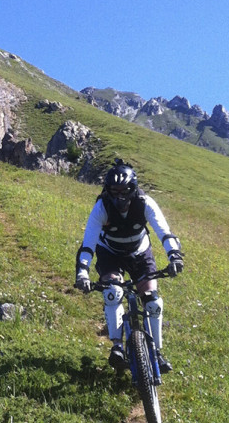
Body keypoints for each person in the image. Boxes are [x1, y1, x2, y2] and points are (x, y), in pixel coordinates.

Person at [75, 159, 183, 371]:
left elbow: (164, 231)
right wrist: (82, 273)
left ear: (133, 189)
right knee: (113, 292)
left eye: (124, 191)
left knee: (152, 302)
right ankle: (117, 347)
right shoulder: (101, 207)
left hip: (140, 253)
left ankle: (157, 353)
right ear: (107, 190)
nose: (120, 196)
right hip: (110, 253)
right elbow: (88, 243)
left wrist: (174, 256)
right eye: (114, 191)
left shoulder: (145, 203)